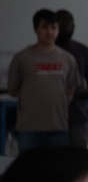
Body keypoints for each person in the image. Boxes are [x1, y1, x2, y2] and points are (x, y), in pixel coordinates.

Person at [7, 8, 79, 152]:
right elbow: (13, 89)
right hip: (29, 128)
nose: (49, 32)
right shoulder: (22, 58)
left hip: (58, 127)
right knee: (29, 171)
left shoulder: (68, 59)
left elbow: (72, 86)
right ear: (36, 29)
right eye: (44, 27)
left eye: (53, 28)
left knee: (55, 171)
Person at [55, 9, 88, 148]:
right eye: (60, 22)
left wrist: (79, 92)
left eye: (67, 22)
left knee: (77, 163)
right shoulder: (41, 53)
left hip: (76, 117)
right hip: (47, 119)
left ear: (73, 26)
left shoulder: (83, 51)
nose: (64, 25)